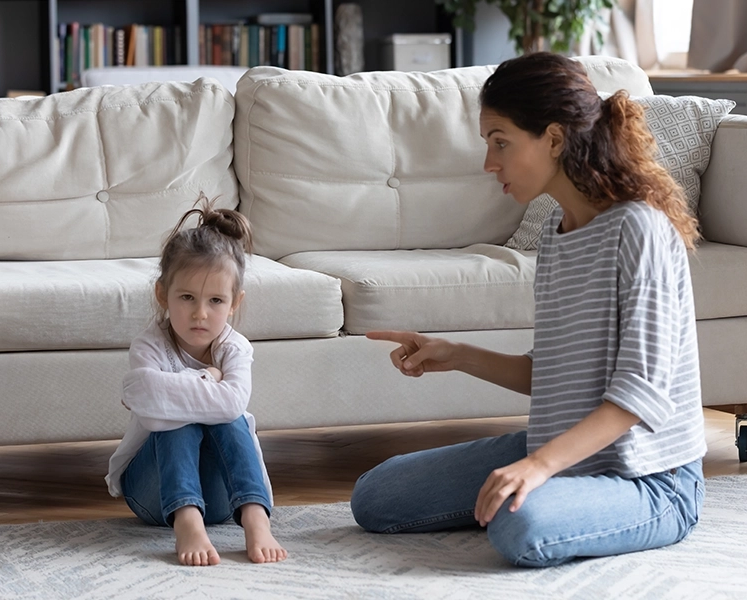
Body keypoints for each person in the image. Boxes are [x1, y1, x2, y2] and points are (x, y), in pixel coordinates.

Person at [350, 52, 706, 568]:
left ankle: (555, 496)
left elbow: (640, 397)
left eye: (501, 142)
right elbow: (551, 375)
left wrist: (537, 466)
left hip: (652, 481)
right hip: (571, 456)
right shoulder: (556, 235)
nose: (489, 163)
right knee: (377, 496)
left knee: (521, 524)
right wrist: (455, 353)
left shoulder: (640, 230)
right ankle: (554, 491)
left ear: (555, 139)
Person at [106, 194, 287, 566]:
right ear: (163, 295)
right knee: (179, 421)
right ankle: (187, 521)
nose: (200, 314)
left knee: (231, 418)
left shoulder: (235, 348)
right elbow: (144, 400)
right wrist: (209, 379)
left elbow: (233, 403)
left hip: (223, 501)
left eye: (216, 301)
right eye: (187, 297)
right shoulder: (149, 346)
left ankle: (255, 517)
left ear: (234, 303)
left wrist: (172, 392)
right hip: (153, 497)